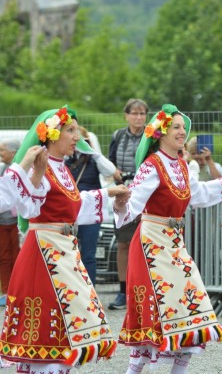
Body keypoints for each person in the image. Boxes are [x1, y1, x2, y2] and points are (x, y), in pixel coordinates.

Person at [113, 104, 222, 374]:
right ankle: (133, 371)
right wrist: (120, 205)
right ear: (161, 133)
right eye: (175, 127)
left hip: (175, 243)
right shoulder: (152, 165)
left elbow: (198, 195)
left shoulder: (182, 165)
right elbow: (132, 205)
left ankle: (179, 371)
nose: (182, 131)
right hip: (151, 243)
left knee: (192, 304)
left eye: (183, 127)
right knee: (154, 311)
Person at [0, 106, 130, 373]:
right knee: (46, 335)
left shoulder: (62, 169)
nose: (76, 136)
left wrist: (109, 192)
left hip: (63, 252)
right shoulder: (43, 167)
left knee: (64, 329)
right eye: (70, 130)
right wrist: (31, 169)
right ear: (51, 134)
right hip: (44, 255)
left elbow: (72, 205)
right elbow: (26, 208)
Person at [108, 98, 148, 310]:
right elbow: (110, 161)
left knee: (144, 243)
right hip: (123, 194)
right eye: (134, 113)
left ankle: (142, 289)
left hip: (145, 195)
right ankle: (123, 291)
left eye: (142, 114)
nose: (138, 117)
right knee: (123, 244)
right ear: (126, 115)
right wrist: (114, 172)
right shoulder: (118, 136)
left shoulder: (152, 137)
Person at [65, 126, 117, 285]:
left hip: (90, 211)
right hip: (70, 211)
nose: (77, 142)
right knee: (69, 253)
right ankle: (71, 287)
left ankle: (90, 290)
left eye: (81, 139)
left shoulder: (94, 160)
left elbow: (110, 170)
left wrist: (91, 150)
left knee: (88, 254)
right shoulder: (65, 159)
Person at [0, 139, 22, 307]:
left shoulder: (22, 169)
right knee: (4, 258)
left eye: (2, 150)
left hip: (16, 222)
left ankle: (18, 292)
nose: (1, 154)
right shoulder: (1, 169)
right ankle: (6, 292)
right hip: (2, 222)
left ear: (14, 153)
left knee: (18, 258)